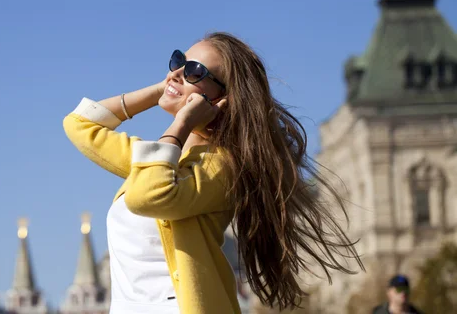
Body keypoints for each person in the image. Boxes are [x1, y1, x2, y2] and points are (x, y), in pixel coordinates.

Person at [63, 32, 363, 314]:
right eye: (178, 62)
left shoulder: (221, 167)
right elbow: (80, 124)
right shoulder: (159, 162)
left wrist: (181, 123)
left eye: (194, 71)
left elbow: (148, 197)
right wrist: (164, 88)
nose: (178, 72)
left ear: (223, 99)